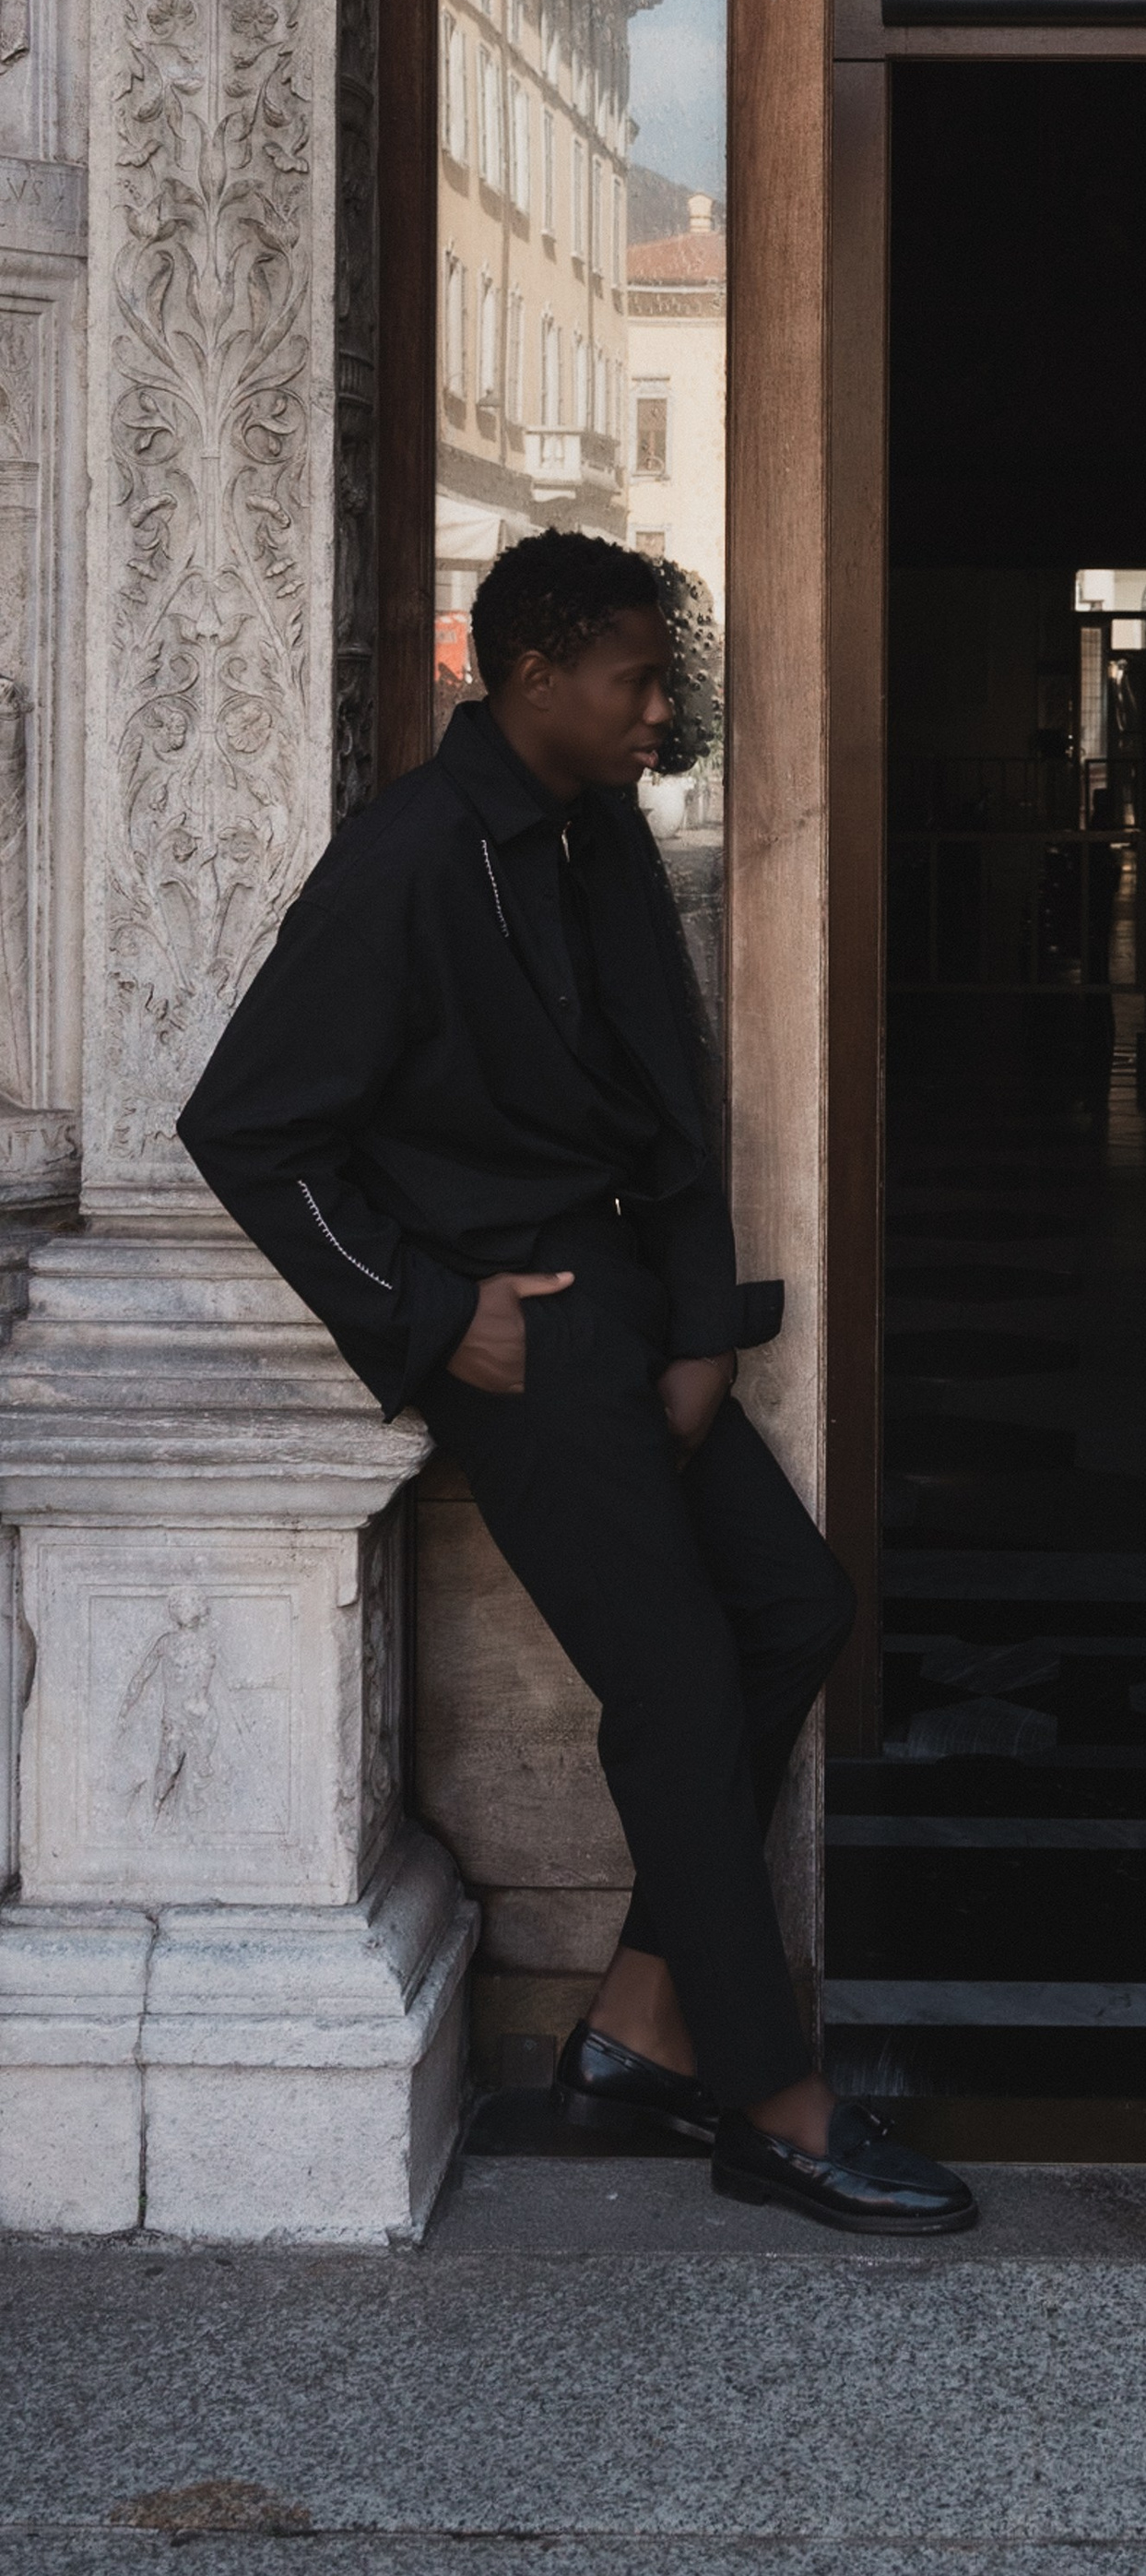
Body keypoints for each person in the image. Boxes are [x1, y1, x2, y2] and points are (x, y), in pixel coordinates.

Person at [179, 529, 976, 2238]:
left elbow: (670, 1096)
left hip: (631, 1320)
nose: (658, 706)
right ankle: (773, 2099)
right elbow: (247, 1124)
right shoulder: (407, 855)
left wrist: (698, 1327)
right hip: (517, 1338)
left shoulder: (597, 828)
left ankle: (631, 2026)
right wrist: (426, 1312)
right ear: (530, 672)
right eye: (632, 675)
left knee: (791, 1614)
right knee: (682, 1689)